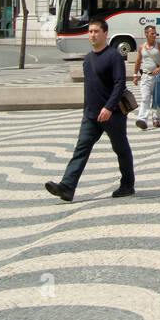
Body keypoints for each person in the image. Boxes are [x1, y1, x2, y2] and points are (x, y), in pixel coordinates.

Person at [46, 17, 135, 201]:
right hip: (91, 116)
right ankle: (67, 187)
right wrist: (86, 111)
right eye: (90, 31)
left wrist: (109, 107)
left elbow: (119, 84)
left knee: (121, 149)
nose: (92, 35)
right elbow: (90, 88)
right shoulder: (88, 59)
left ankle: (127, 184)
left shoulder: (114, 56)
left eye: (96, 31)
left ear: (105, 34)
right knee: (81, 149)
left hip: (112, 115)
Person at [133, 24, 160, 130]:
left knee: (157, 99)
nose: (154, 35)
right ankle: (142, 119)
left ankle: (156, 119)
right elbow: (138, 61)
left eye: (155, 33)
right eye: (152, 33)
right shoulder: (141, 47)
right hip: (145, 76)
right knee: (145, 98)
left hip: (157, 77)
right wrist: (135, 75)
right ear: (146, 34)